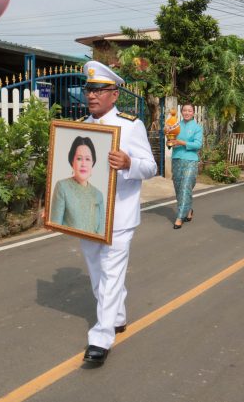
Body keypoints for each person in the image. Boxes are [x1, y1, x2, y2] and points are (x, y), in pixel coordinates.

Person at [78, 61, 157, 365]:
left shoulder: (130, 125)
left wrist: (128, 164)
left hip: (119, 214)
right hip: (87, 214)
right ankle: (117, 316)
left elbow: (149, 167)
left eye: (99, 90)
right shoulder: (81, 125)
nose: (92, 95)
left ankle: (101, 337)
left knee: (111, 273)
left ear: (114, 94)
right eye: (89, 89)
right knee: (98, 274)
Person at [50, 136, 105, 234]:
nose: (83, 163)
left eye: (87, 159)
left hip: (94, 246)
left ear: (93, 162)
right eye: (79, 158)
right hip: (68, 246)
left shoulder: (98, 194)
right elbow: (55, 229)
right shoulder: (62, 187)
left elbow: (102, 232)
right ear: (72, 161)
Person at [165, 103, 203, 229]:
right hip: (176, 159)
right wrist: (170, 142)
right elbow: (170, 142)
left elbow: (198, 145)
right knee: (178, 187)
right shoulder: (176, 125)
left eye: (190, 111)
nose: (187, 113)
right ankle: (188, 209)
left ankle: (179, 217)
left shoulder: (197, 128)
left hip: (191, 160)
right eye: (185, 110)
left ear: (193, 113)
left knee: (186, 186)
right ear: (181, 112)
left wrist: (181, 142)